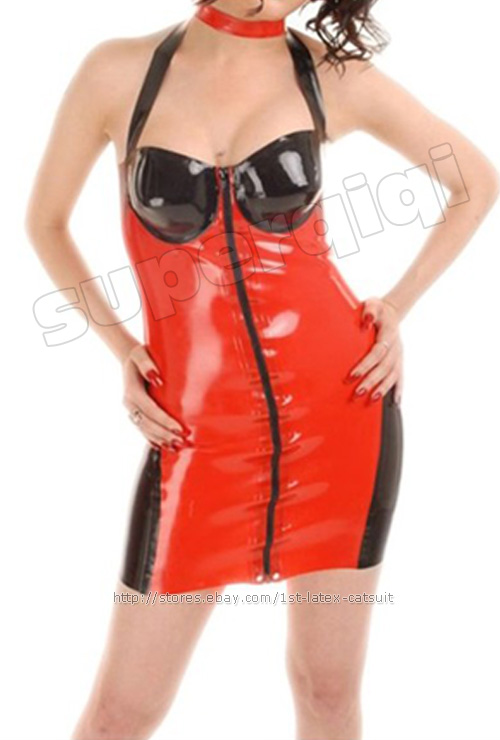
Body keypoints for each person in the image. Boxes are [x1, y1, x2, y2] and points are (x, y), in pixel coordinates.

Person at [25, 1, 498, 739]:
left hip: (343, 414)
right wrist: (123, 349)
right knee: (120, 714)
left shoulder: (328, 76)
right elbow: (45, 223)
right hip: (194, 432)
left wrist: (395, 308)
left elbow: (474, 179)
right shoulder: (118, 72)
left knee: (325, 691)